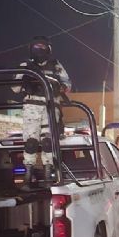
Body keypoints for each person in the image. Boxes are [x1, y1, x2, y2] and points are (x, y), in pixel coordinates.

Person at [15, 36, 72, 184]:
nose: (40, 50)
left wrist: (59, 87)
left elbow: (67, 85)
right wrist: (25, 81)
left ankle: (48, 174)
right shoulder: (25, 65)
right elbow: (14, 87)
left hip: (50, 105)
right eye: (36, 47)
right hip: (32, 105)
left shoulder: (56, 65)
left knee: (48, 142)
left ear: (48, 49)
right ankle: (28, 175)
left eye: (43, 47)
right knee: (31, 143)